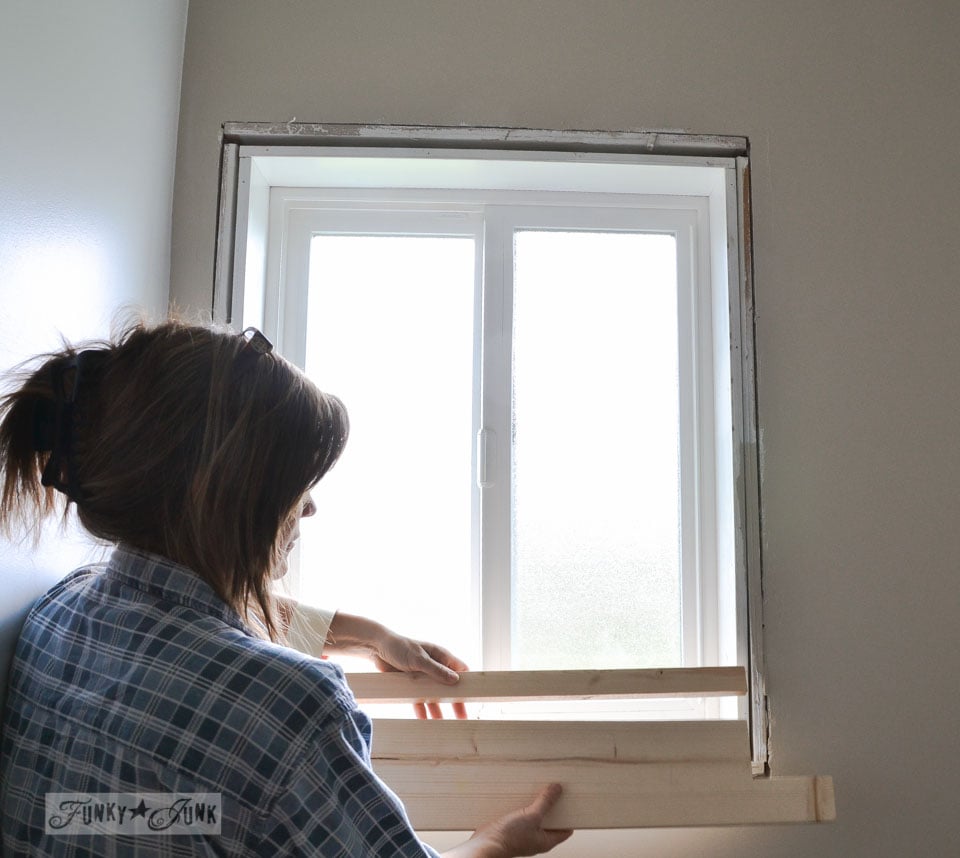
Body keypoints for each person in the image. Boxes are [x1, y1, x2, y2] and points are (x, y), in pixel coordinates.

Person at [0, 319, 574, 857]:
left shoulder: (58, 615)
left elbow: (177, 626)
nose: (311, 506)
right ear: (230, 499)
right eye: (295, 486)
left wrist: (369, 635)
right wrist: (498, 842)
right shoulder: (291, 710)